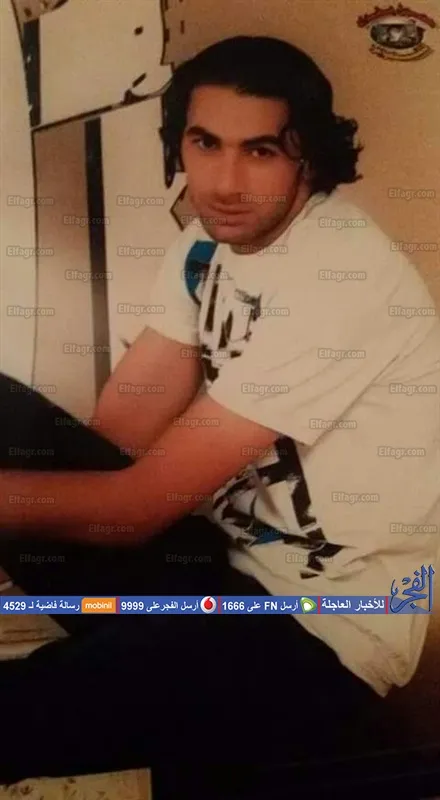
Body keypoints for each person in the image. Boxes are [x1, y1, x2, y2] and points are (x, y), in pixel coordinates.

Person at [0, 35, 439, 786]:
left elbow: (132, 508)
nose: (225, 182)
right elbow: (115, 440)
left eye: (260, 151)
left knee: (21, 712)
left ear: (308, 160)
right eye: (205, 144)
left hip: (314, 634)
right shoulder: (204, 250)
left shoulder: (341, 276)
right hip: (209, 567)